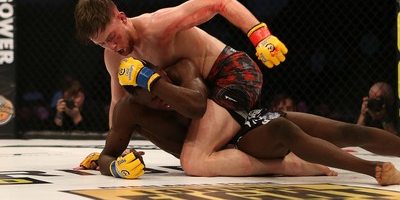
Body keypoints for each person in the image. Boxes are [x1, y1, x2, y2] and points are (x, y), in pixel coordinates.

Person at [89, 57, 400, 186]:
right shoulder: (129, 111)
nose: (163, 98)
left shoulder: (181, 70)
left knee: (347, 130)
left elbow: (197, 105)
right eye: (154, 98)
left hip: (243, 119)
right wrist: (115, 167)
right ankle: (374, 171)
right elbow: (107, 155)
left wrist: (155, 82)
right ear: (138, 101)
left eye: (162, 84)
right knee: (284, 131)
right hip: (229, 147)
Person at [74, 0, 288, 174]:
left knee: (194, 161)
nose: (112, 46)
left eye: (112, 36)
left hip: (233, 73)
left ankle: (287, 166)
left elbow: (221, 1)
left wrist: (261, 36)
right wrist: (114, 153)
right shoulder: (113, 57)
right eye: (101, 43)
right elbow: (118, 102)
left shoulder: (158, 25)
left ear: (121, 18)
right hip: (200, 95)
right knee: (189, 148)